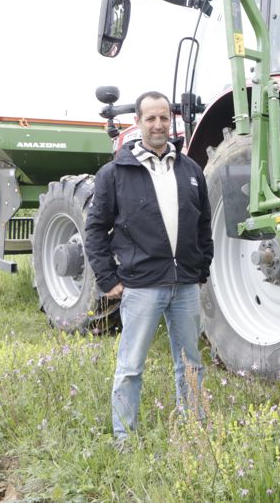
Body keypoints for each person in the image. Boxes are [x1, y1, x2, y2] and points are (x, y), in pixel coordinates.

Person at [84, 90, 214, 447]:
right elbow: (95, 229)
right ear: (137, 122)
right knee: (130, 367)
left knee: (190, 364)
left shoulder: (190, 170)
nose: (158, 125)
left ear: (169, 121)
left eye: (163, 118)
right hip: (141, 286)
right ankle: (125, 440)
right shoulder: (114, 173)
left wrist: (202, 267)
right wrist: (108, 278)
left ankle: (194, 431)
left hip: (185, 285)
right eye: (150, 118)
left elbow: (203, 224)